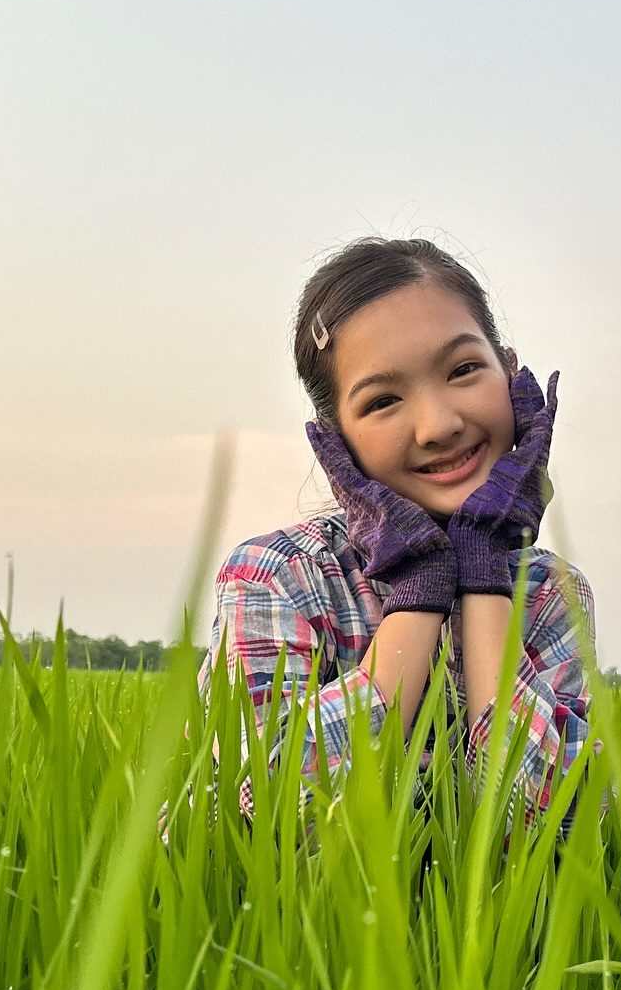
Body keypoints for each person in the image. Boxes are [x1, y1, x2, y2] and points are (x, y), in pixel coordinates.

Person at [199, 236, 595, 822]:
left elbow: (562, 820)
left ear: (512, 376)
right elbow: (270, 816)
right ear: (335, 440)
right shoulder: (279, 576)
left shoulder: (548, 593)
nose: (438, 425)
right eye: (383, 401)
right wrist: (418, 590)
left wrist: (484, 571)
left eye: (464, 369)